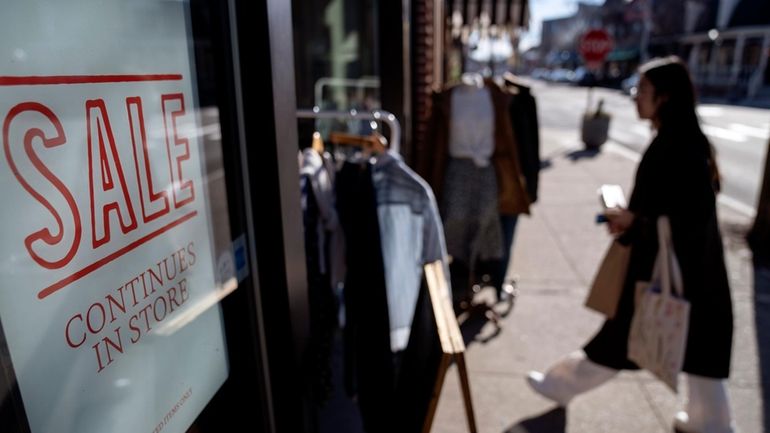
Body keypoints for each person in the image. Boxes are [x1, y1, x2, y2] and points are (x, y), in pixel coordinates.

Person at [526, 56, 736, 433]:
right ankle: (711, 422)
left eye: (643, 91)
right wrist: (634, 220)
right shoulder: (682, 140)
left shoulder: (679, 145)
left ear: (665, 98)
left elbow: (687, 216)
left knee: (621, 340)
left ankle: (559, 385)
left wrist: (633, 222)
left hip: (668, 269)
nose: (635, 97)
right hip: (691, 271)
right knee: (699, 350)